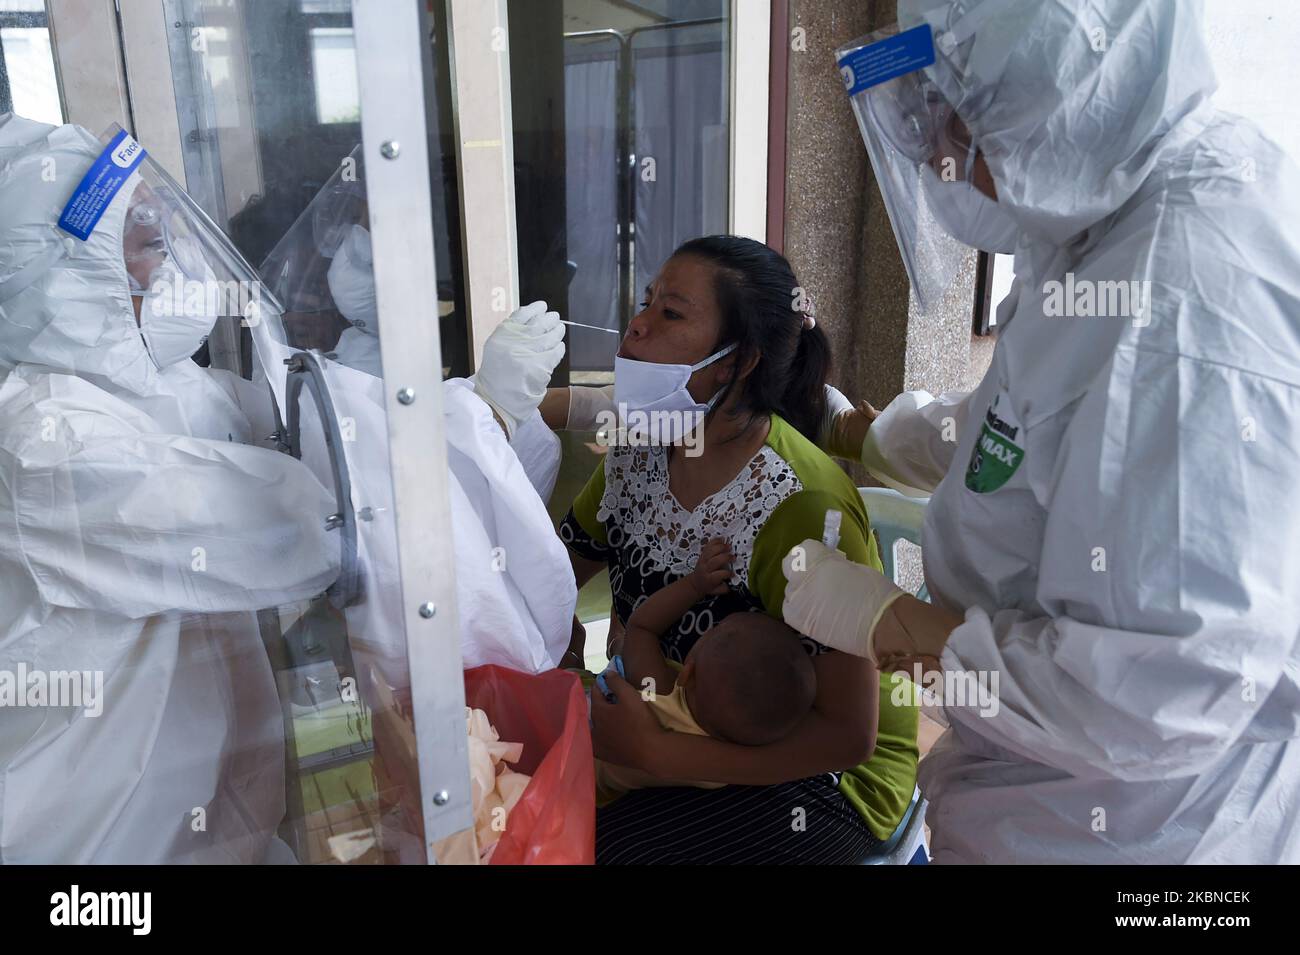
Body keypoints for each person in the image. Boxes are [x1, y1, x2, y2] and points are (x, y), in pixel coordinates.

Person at [782, 0, 1300, 863]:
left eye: (951, 117)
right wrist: (872, 435)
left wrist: (889, 623)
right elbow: (1027, 428)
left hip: (1149, 839)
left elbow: (1149, 695)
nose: (937, 154)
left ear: (1054, 91)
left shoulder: (1187, 305)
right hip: (1044, 802)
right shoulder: (1110, 216)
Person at [0, 115, 343, 863]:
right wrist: (468, 428)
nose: (182, 271)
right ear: (69, 280)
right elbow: (302, 526)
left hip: (211, 826)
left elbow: (285, 423)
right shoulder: (46, 443)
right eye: (154, 246)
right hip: (96, 854)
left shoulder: (152, 388)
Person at [563, 235, 919, 864]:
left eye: (671, 313)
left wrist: (658, 754)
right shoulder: (638, 446)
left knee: (603, 851)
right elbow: (557, 571)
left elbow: (848, 735)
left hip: (819, 776)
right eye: (646, 302)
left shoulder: (800, 505)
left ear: (737, 362)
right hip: (672, 716)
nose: (636, 327)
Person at [589, 538, 818, 805]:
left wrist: (695, 585)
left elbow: (641, 627)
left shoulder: (659, 691)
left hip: (576, 753)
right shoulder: (714, 770)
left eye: (716, 629)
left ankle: (583, 650)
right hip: (597, 793)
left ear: (688, 673)